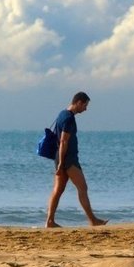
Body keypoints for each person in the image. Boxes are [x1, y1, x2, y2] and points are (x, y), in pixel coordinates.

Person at [46, 92, 108, 228]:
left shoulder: (62, 113)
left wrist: (59, 161)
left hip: (61, 158)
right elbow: (63, 141)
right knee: (82, 187)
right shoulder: (69, 118)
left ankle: (50, 221)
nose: (85, 109)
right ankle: (93, 220)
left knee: (58, 190)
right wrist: (62, 163)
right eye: (85, 105)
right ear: (79, 102)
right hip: (68, 160)